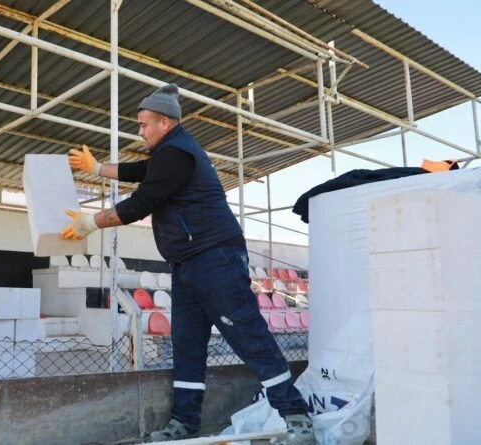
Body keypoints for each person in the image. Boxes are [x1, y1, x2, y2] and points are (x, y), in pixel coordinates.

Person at [61, 84, 315, 444]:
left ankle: (297, 418)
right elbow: (140, 171)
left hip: (216, 259)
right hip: (187, 263)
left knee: (248, 335)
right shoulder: (169, 153)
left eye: (144, 124)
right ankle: (185, 421)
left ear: (165, 123)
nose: (140, 130)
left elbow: (141, 202)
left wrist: (90, 222)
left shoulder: (178, 153)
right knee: (187, 345)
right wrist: (99, 168)